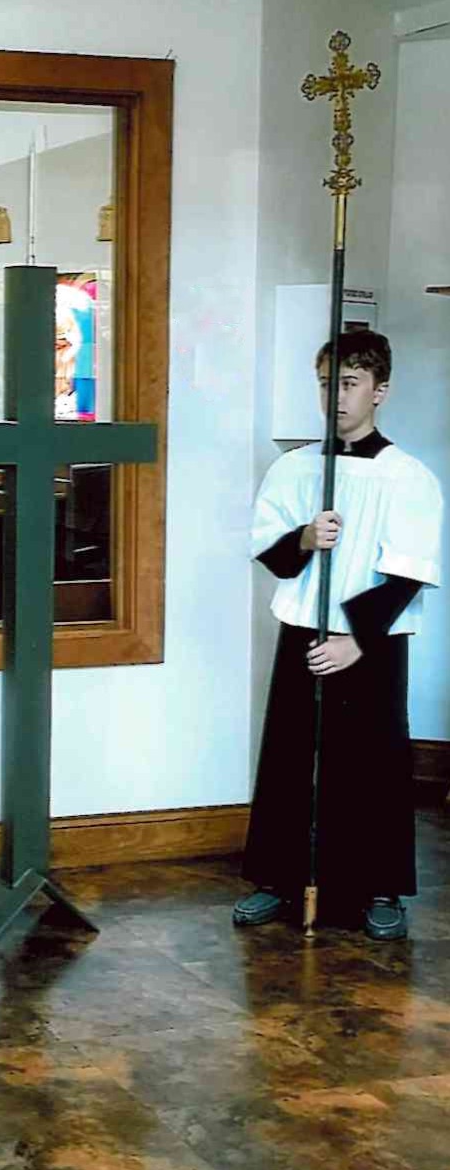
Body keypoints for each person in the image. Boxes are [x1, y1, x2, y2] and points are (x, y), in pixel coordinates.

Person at [234, 330, 442, 939]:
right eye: (328, 384)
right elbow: (269, 552)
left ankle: (379, 889)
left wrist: (356, 638)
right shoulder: (295, 467)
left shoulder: (407, 477)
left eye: (350, 384)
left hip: (370, 642)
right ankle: (276, 878)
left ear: (381, 390)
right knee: (290, 756)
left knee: (373, 761)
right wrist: (304, 538)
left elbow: (410, 569)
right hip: (302, 630)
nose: (337, 398)